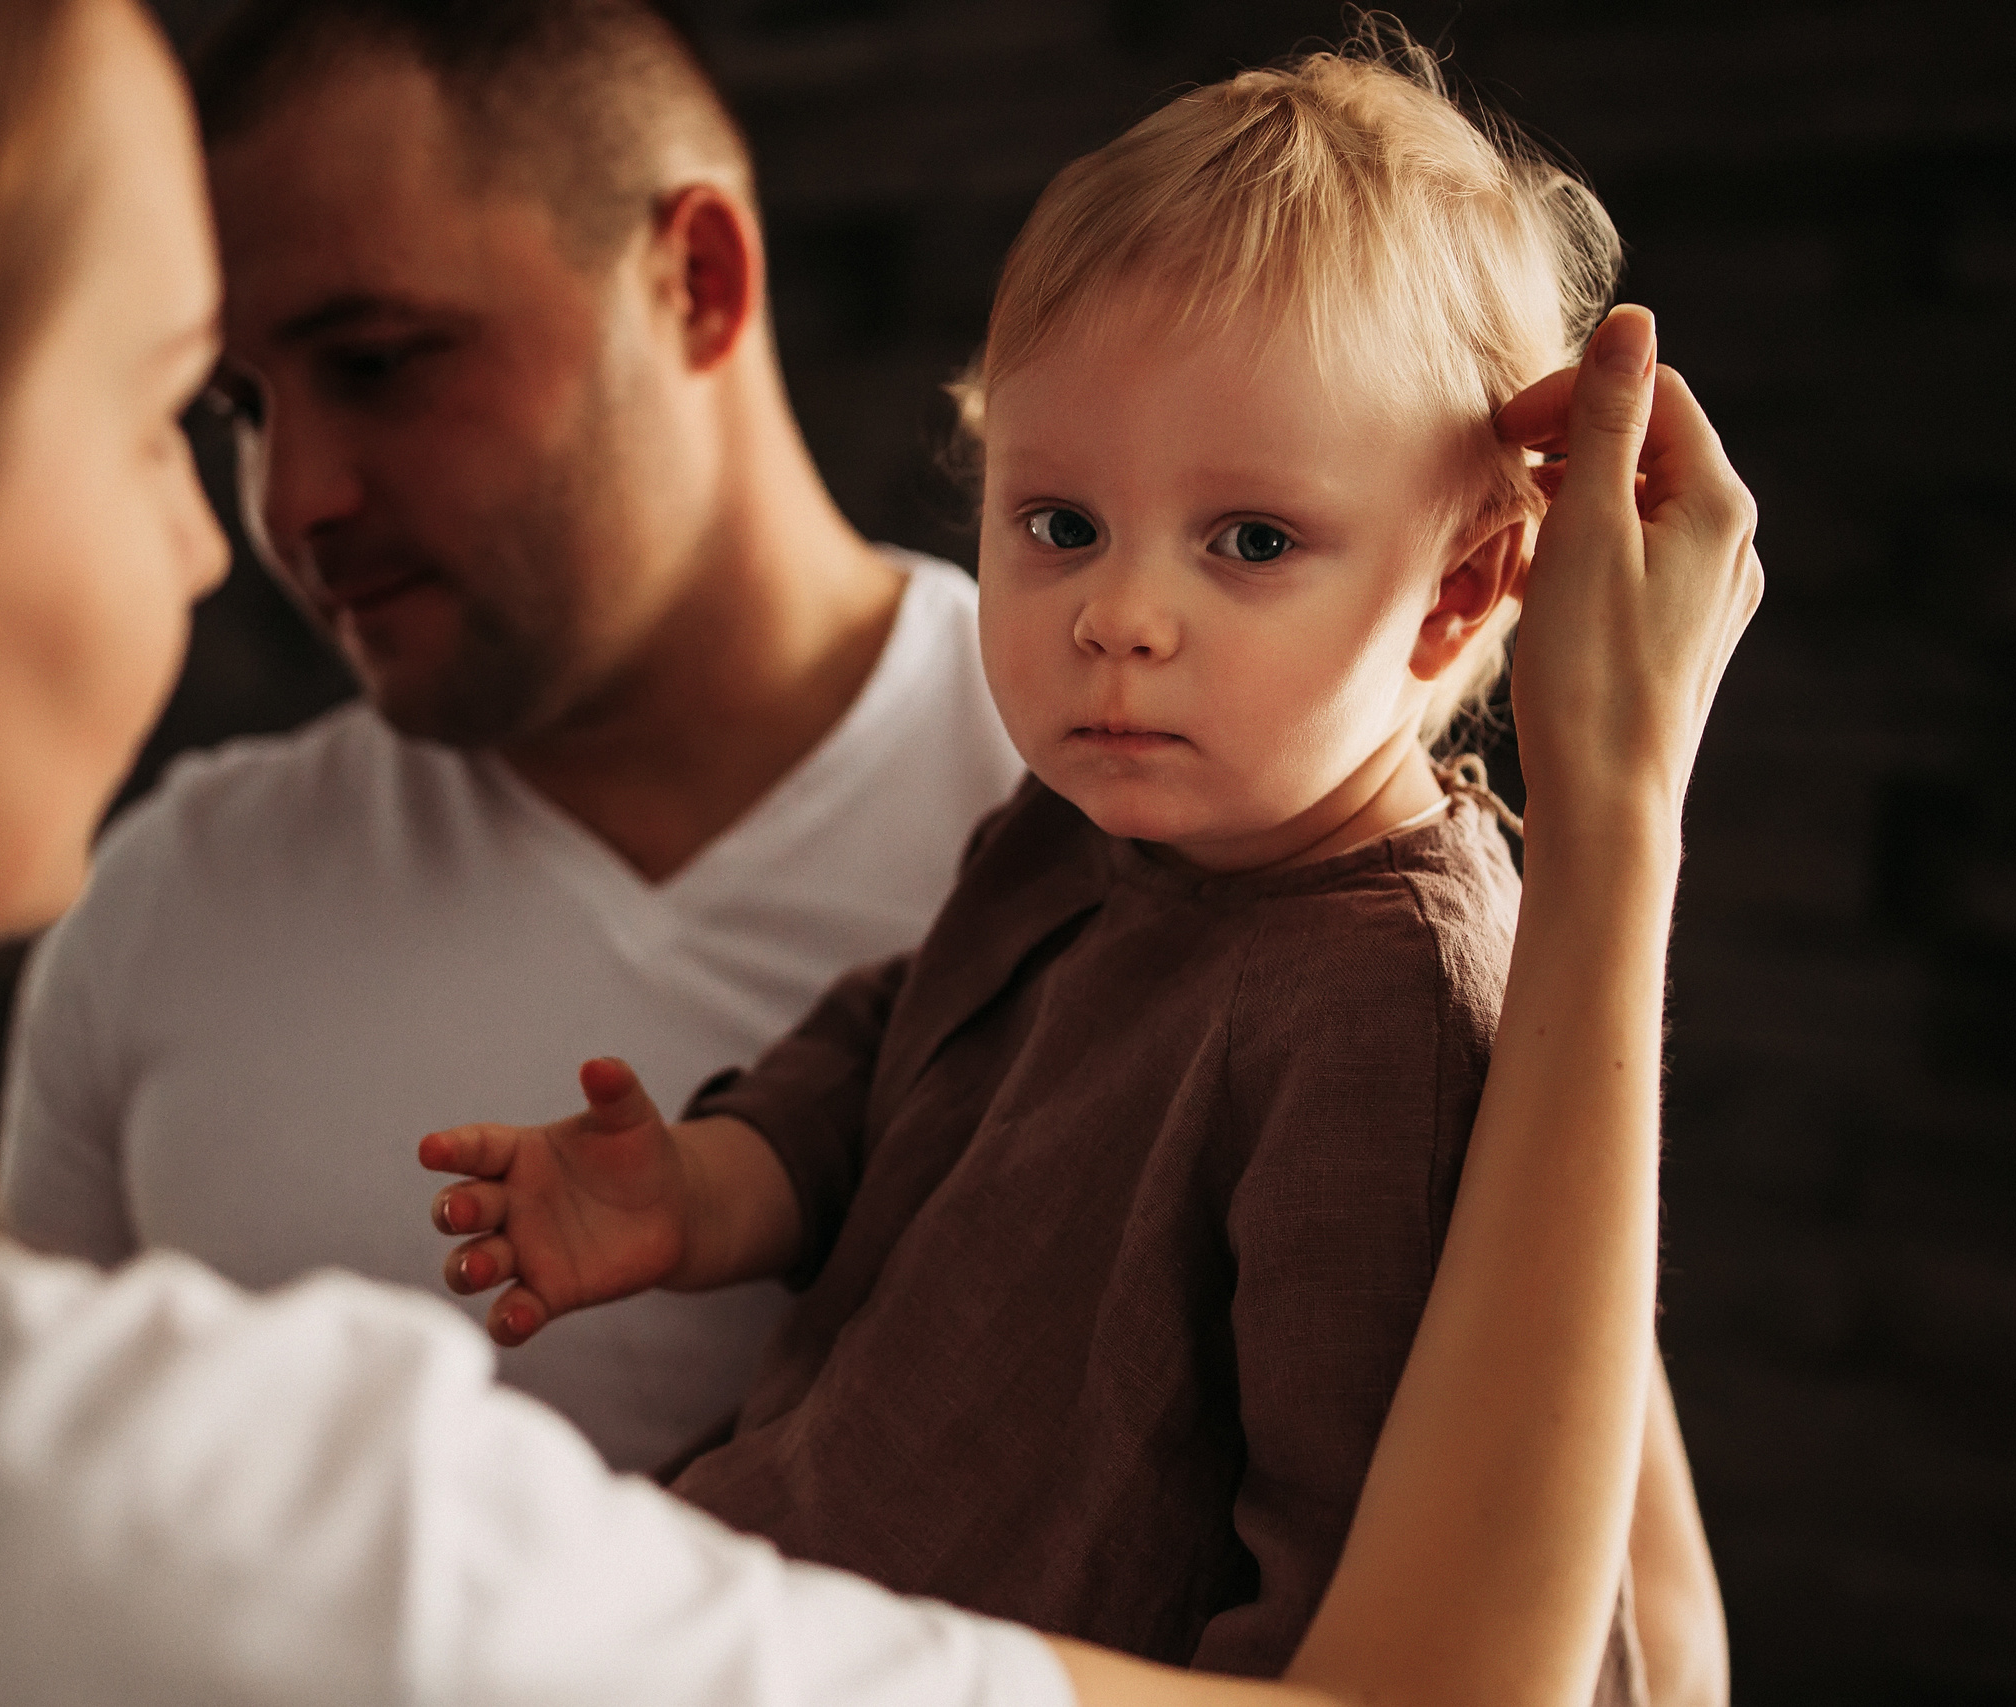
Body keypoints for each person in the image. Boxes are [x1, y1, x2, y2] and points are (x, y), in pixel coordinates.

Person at [0, 0, 1763, 1701]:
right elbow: (897, 1043)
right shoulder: (156, 1008)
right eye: (187, 410)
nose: (264, 521)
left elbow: (1581, 1617)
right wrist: (719, 1176)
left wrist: (1594, 846)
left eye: (381, 358)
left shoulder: (1336, 928)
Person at [419, 35, 1718, 1703]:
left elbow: (1346, 1584)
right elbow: (905, 1050)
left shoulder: (1387, 1007)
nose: (1118, 615)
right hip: (770, 1587)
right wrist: (709, 1188)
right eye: (1061, 526)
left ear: (1462, 590)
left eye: (1251, 541)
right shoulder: (1087, 823)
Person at [0, 0, 1025, 1475]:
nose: (290, 502)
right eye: (237, 407)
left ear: (696, 281)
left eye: (379, 362)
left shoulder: (1124, 818)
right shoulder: (160, 917)